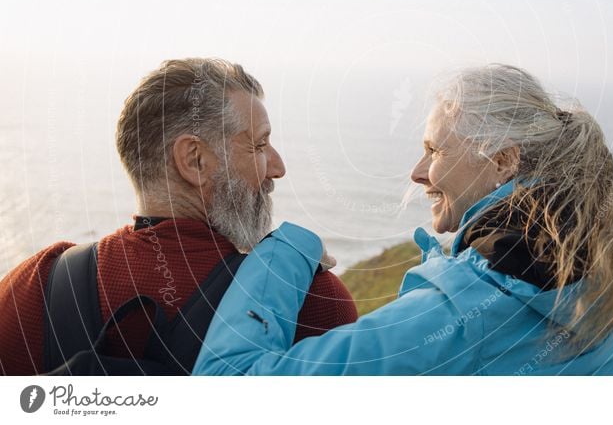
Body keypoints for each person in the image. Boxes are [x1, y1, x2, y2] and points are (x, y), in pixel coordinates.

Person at [193, 64, 613, 376]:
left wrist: (285, 252)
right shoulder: (610, 303)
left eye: (434, 151)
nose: (417, 173)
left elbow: (229, 378)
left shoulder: (476, 308)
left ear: (503, 161)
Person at [0, 58, 357, 375]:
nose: (276, 168)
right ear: (194, 160)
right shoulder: (309, 303)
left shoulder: (32, 287)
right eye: (259, 145)